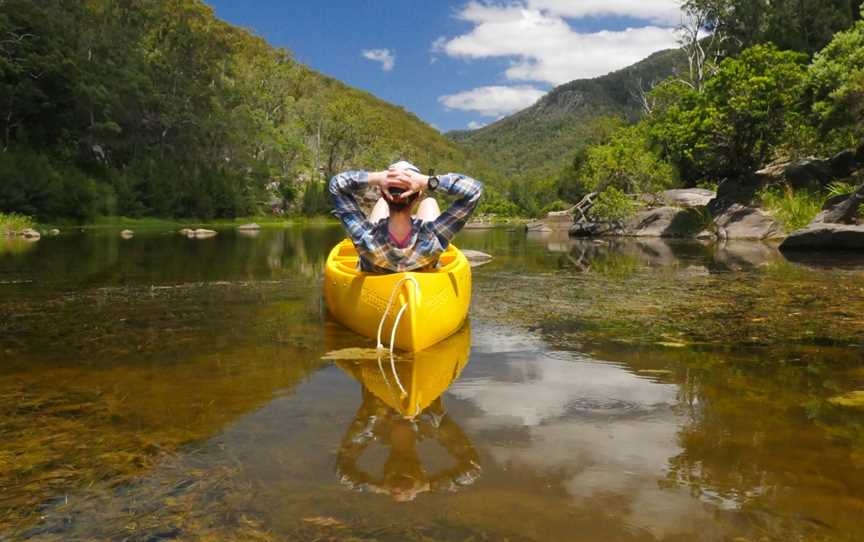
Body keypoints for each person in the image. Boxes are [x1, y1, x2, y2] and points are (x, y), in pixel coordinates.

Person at [329, 160, 482, 273]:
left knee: (382, 205)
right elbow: (474, 190)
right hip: (423, 252)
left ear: (383, 192)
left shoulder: (365, 238)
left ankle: (393, 212)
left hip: (377, 250)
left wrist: (377, 177)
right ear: (417, 196)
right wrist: (427, 181)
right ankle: (413, 218)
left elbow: (336, 185)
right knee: (430, 202)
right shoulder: (433, 238)